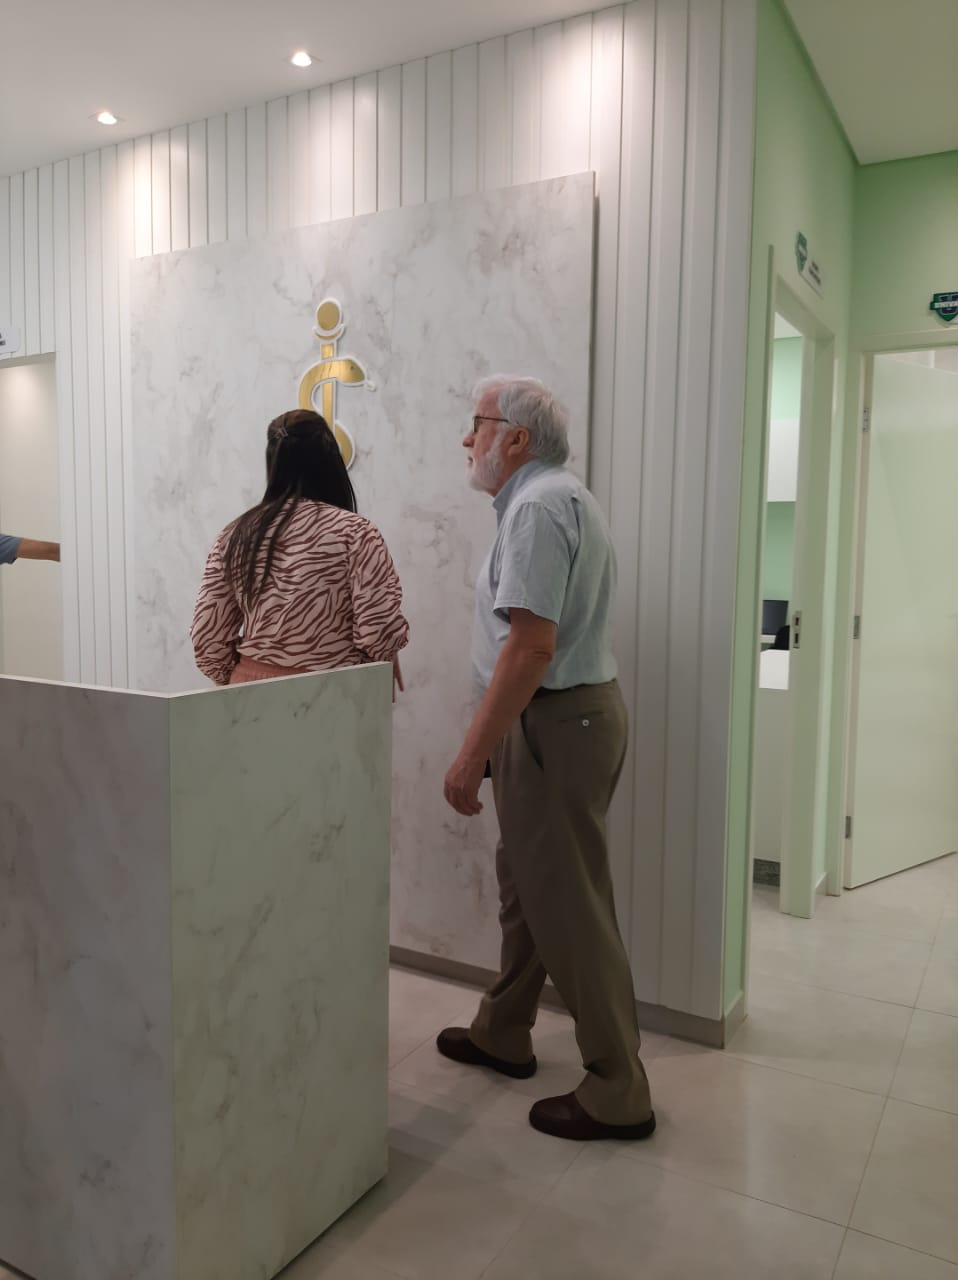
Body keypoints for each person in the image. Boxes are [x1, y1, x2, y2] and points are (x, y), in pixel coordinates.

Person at [439, 376, 654, 1142]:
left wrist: (470, 753)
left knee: (569, 906)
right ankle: (504, 1029)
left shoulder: (536, 508)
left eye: (477, 424)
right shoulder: (557, 499)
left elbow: (530, 648)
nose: (468, 439)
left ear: (516, 438)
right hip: (560, 721)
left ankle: (619, 1087)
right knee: (528, 888)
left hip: (554, 724)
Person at [191, 409, 409, 688]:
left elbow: (206, 639)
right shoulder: (356, 534)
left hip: (249, 699)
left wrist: (243, 679)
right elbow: (379, 633)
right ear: (330, 462)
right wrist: (383, 657)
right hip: (334, 694)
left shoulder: (236, 535)